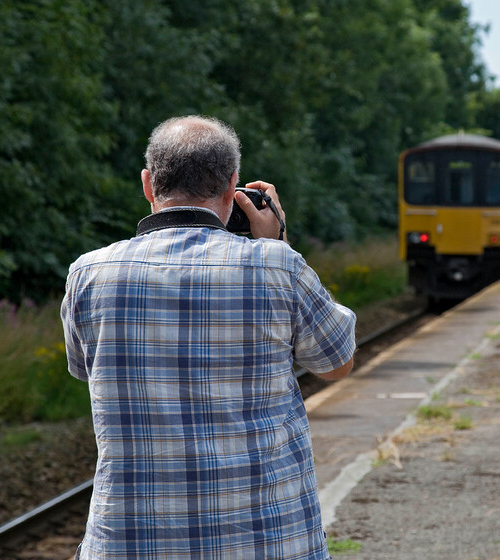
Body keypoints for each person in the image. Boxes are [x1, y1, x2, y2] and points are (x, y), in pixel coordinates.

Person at [61, 115, 356, 559]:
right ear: (233, 186)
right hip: (265, 541)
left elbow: (85, 370)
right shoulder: (277, 266)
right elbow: (337, 362)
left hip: (132, 543)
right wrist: (280, 243)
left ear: (148, 184)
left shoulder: (89, 273)